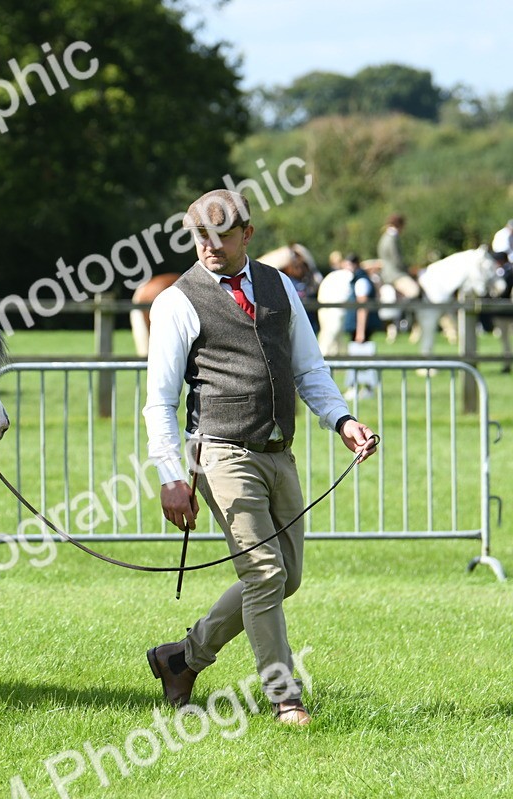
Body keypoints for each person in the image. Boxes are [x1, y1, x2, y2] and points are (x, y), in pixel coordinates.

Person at [143, 190, 375, 726]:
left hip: (278, 452)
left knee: (283, 577)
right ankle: (284, 697)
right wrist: (172, 475)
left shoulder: (279, 285)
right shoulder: (176, 300)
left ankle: (181, 658)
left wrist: (342, 420)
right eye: (200, 235)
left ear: (247, 234)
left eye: (220, 235)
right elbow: (160, 401)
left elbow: (309, 368)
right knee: (265, 572)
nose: (209, 246)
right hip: (218, 453)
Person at [315, 252, 355, 356]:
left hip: (331, 307)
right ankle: (322, 357)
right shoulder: (344, 275)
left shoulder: (334, 275)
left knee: (336, 336)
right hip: (335, 308)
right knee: (331, 333)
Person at [377, 213, 419, 300]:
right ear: (400, 225)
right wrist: (407, 270)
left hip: (387, 272)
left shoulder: (384, 236)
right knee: (414, 291)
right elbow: (397, 260)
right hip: (394, 274)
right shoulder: (392, 238)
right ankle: (405, 313)